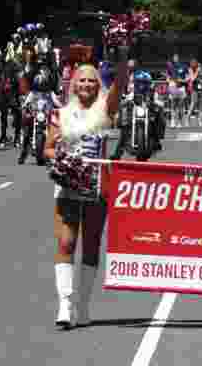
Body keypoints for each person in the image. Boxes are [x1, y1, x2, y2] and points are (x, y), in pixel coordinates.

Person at [43, 58, 125, 329]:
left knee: (91, 245)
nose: (87, 84)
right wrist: (65, 160)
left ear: (97, 84)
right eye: (82, 79)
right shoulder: (60, 114)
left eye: (92, 80)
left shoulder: (105, 111)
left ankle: (83, 305)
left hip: (98, 188)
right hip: (68, 186)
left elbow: (120, 85)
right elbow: (48, 149)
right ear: (73, 84)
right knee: (66, 243)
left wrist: (122, 54)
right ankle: (64, 304)